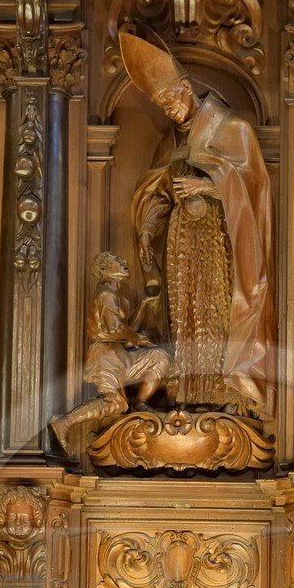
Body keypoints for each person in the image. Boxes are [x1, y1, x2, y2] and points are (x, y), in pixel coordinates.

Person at [119, 30, 274, 415]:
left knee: (216, 311)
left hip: (220, 241)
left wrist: (210, 185)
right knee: (185, 312)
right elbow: (158, 190)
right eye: (161, 105)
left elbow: (255, 188)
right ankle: (186, 390)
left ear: (186, 89)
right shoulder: (171, 141)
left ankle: (225, 390)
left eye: (171, 100)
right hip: (180, 243)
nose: (169, 110)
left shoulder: (233, 128)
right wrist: (147, 227)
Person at [49, 251, 172, 458]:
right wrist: (137, 338)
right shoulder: (106, 294)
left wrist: (143, 306)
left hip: (119, 352)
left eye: (122, 260)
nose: (124, 263)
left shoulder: (121, 299)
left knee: (160, 358)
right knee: (116, 403)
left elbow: (126, 332)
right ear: (105, 269)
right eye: (117, 261)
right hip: (104, 354)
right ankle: (64, 422)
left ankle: (140, 403)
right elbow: (115, 329)